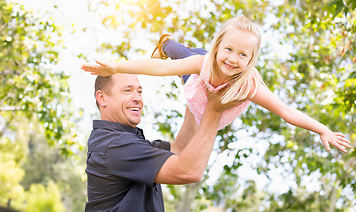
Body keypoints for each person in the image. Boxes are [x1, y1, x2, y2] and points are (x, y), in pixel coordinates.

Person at [81, 15, 351, 153]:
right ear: (218, 47)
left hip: (210, 105)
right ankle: (166, 42)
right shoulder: (205, 63)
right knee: (183, 55)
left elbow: (287, 111)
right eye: (229, 50)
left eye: (243, 55)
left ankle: (182, 48)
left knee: (183, 145)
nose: (233, 60)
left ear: (252, 59)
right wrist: (116, 67)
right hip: (198, 84)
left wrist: (322, 129)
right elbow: (161, 68)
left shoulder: (249, 86)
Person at [85, 73, 237, 211]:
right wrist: (214, 110)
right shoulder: (115, 145)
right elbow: (188, 171)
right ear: (102, 98)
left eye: (139, 91)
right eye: (127, 91)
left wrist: (195, 90)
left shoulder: (126, 141)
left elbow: (180, 149)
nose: (137, 98)